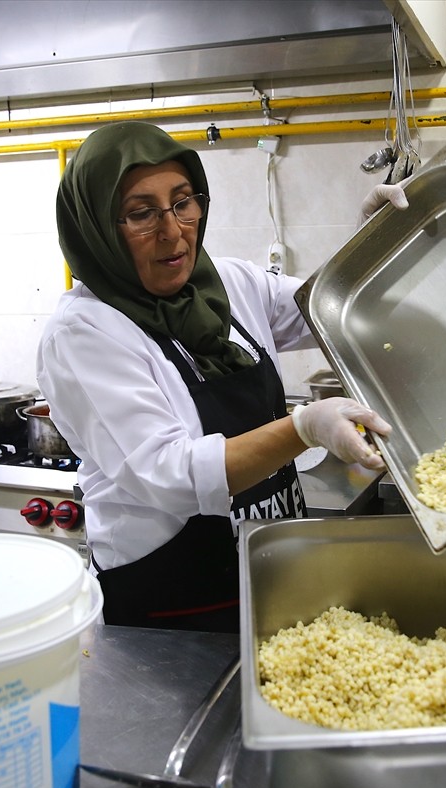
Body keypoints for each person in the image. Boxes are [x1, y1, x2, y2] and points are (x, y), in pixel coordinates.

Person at [37, 121, 405, 632]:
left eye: (183, 202)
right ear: (98, 226)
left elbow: (324, 309)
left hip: (267, 573)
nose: (173, 231)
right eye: (141, 213)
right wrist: (304, 428)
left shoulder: (228, 282)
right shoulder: (84, 333)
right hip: (169, 610)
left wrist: (372, 241)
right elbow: (168, 475)